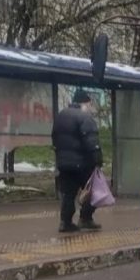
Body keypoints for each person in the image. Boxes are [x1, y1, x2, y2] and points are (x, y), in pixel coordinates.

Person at [52, 90, 103, 233]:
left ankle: (65, 222)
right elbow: (92, 142)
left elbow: (55, 138)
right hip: (82, 164)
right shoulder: (84, 117)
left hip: (64, 164)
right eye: (89, 103)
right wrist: (98, 161)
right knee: (95, 190)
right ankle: (85, 218)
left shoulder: (61, 116)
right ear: (84, 103)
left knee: (68, 194)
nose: (89, 107)